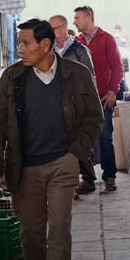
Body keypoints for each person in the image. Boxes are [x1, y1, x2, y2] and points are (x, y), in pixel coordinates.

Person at [0, 19, 103, 260]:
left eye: (26, 43)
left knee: (60, 231)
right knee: (31, 233)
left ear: (45, 45)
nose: (20, 49)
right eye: (20, 43)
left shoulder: (77, 74)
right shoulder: (12, 79)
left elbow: (94, 117)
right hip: (25, 167)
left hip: (63, 163)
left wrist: (75, 154)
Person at [74, 6, 124, 192]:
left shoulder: (106, 39)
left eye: (77, 18)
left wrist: (112, 91)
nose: (75, 22)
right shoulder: (77, 42)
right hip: (82, 100)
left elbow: (117, 67)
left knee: (104, 138)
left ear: (88, 18)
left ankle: (109, 176)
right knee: (83, 140)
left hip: (103, 98)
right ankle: (88, 180)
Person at [50, 14, 98, 197]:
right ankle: (70, 180)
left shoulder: (79, 50)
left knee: (80, 139)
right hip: (58, 103)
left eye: (53, 29)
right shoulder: (51, 51)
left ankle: (88, 178)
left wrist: (88, 103)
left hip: (78, 102)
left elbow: (90, 76)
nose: (52, 33)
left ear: (63, 28)